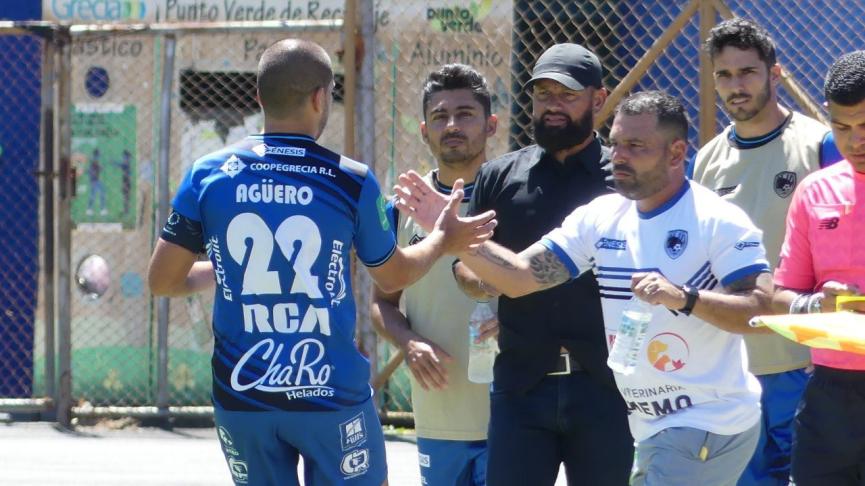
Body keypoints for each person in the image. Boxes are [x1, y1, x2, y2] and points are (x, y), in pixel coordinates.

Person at [146, 39, 496, 486]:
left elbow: (163, 280)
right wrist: (443, 239)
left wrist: (227, 268)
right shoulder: (349, 180)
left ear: (259, 98)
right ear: (319, 98)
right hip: (329, 393)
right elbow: (394, 275)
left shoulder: (207, 174)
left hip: (244, 394)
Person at [397, 91, 774, 485]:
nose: (619, 156)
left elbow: (761, 309)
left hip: (707, 421)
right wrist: (455, 238)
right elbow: (521, 277)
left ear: (676, 153)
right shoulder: (602, 217)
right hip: (649, 425)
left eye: (635, 146)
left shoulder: (717, 220)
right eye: (616, 143)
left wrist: (685, 298)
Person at [450, 43, 635, 485]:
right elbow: (464, 265)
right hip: (522, 386)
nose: (552, 105)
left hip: (606, 387)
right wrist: (490, 282)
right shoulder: (499, 176)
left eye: (567, 95)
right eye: (543, 94)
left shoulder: (623, 181)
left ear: (598, 99)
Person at [691, 18, 843, 486]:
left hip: (808, 363)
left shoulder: (820, 145)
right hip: (736, 369)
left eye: (747, 72)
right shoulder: (706, 160)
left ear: (774, 74)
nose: (736, 86)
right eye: (724, 75)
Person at [370, 63, 499, 486]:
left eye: (465, 114)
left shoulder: (516, 196)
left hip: (512, 414)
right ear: (425, 131)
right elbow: (381, 304)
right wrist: (408, 342)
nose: (452, 125)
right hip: (439, 414)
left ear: (491, 125)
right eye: (440, 116)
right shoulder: (401, 208)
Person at [772, 50, 865, 486]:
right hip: (829, 393)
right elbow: (781, 296)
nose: (855, 141)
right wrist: (816, 305)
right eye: (842, 127)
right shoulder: (814, 192)